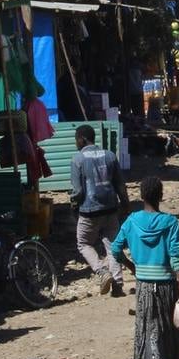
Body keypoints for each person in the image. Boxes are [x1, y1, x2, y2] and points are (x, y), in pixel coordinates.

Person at [110, 177, 179, 359]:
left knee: (151, 331)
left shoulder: (131, 221)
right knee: (174, 329)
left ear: (142, 196)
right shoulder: (170, 222)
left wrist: (131, 266)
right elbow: (175, 255)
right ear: (161, 196)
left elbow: (116, 249)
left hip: (145, 286)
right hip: (167, 284)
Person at [70, 124, 128, 297]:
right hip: (111, 208)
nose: (75, 142)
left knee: (83, 243)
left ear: (82, 138)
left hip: (89, 210)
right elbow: (119, 184)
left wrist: (74, 207)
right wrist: (126, 204)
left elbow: (78, 191)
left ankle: (102, 272)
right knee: (112, 247)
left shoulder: (77, 159)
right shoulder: (110, 156)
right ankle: (117, 284)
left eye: (76, 139)